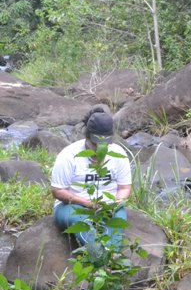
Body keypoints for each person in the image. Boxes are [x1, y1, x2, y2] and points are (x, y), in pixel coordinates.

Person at [51, 106, 132, 250]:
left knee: (118, 223)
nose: (99, 149)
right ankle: (98, 255)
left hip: (109, 206)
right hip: (73, 206)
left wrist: (115, 203)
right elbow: (57, 191)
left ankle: (111, 254)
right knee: (81, 223)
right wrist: (88, 204)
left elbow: (124, 188)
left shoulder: (118, 154)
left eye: (104, 145)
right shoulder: (69, 155)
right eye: (95, 144)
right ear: (87, 137)